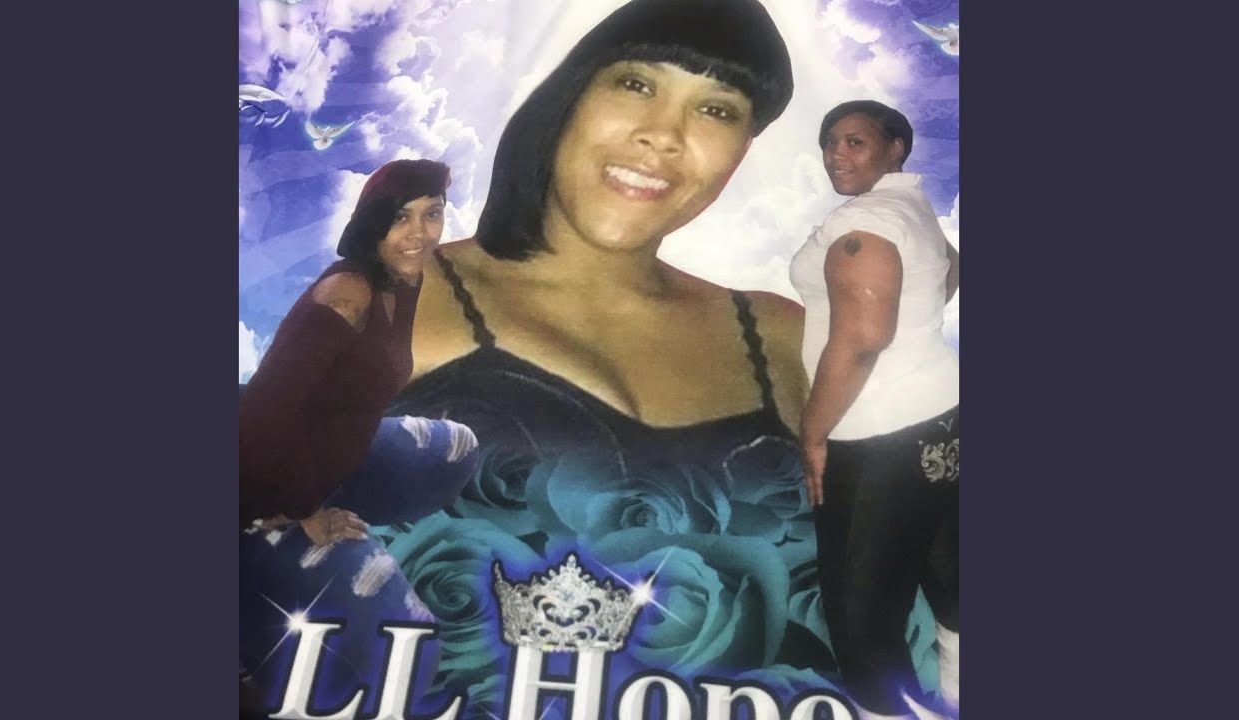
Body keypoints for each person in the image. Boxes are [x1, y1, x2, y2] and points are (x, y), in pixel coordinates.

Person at [377, 0, 851, 710]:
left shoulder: (786, 337)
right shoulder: (396, 297)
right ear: (569, 95)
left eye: (717, 109)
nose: (664, 134)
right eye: (636, 84)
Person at [238, 159, 478, 716]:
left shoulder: (405, 277)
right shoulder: (347, 294)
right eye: (400, 218)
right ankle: (258, 583)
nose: (419, 233)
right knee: (402, 643)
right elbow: (260, 421)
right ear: (373, 223)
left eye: (432, 214)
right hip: (258, 484)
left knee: (455, 451)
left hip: (327, 458)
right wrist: (305, 513)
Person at [790, 100, 960, 719]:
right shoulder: (910, 207)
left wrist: (814, 433)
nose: (836, 154)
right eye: (829, 141)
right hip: (942, 414)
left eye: (854, 141)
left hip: (875, 434)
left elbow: (862, 339)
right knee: (950, 580)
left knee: (862, 621)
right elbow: (953, 269)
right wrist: (919, 324)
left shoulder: (865, 223)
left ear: (895, 149)